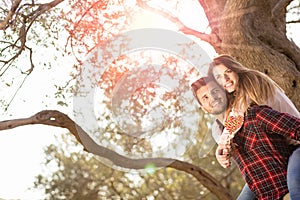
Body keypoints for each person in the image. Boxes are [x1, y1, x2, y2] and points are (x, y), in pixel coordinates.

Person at [207, 55, 300, 200]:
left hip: (296, 143)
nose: (225, 80)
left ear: (236, 69)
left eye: (228, 72)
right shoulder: (235, 98)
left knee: (295, 186)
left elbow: (239, 117)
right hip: (280, 150)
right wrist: (223, 149)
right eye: (219, 77)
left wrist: (223, 143)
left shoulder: (253, 81)